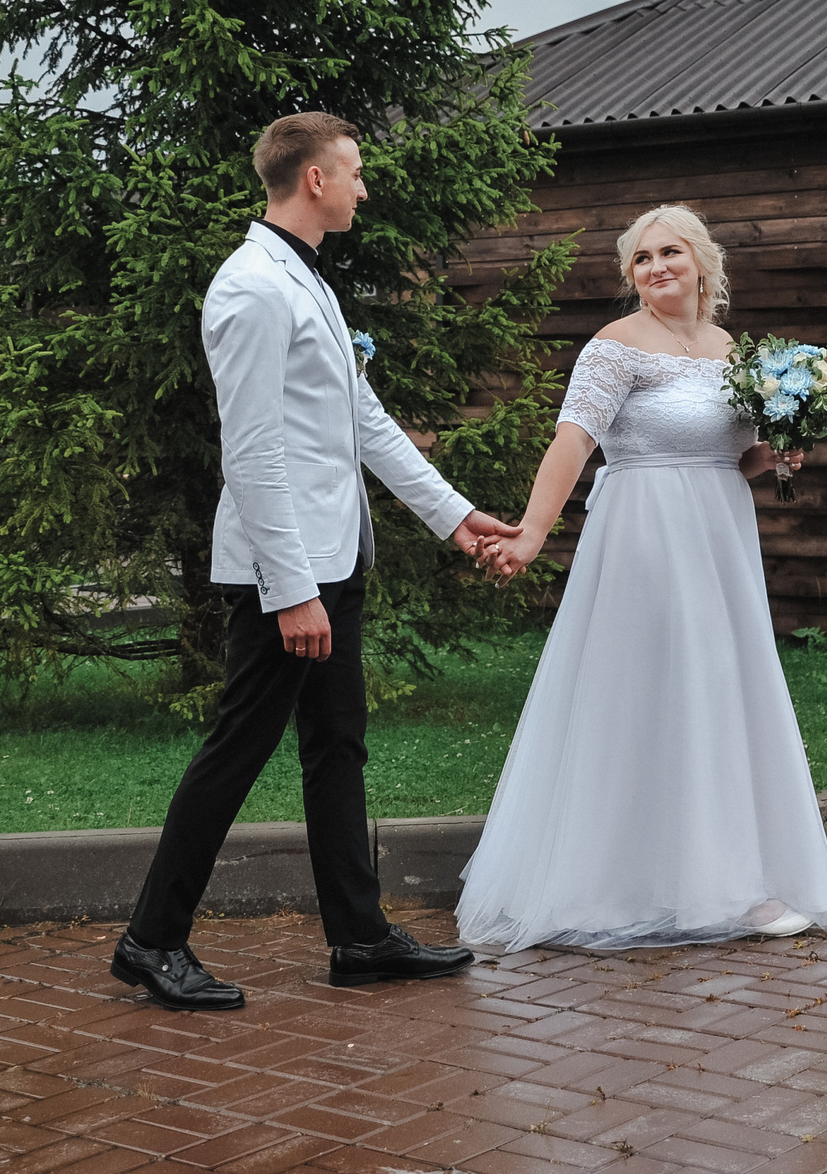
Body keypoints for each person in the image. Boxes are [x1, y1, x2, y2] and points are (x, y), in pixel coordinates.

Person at [112, 113, 523, 1012]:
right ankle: (150, 940)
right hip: (286, 574)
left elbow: (363, 422)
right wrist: (292, 592)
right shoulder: (253, 289)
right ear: (313, 182)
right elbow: (251, 452)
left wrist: (453, 518)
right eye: (356, 172)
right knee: (236, 751)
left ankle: (361, 938)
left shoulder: (308, 282)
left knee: (337, 748)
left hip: (335, 560)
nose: (364, 188)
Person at [464, 204, 827, 950]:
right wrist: (533, 531)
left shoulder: (726, 346)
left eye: (670, 252)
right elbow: (572, 442)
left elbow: (730, 457)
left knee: (718, 690)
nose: (656, 267)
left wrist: (776, 454)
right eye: (641, 259)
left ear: (701, 262)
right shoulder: (615, 347)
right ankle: (670, 886)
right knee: (657, 689)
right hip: (646, 531)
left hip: (719, 532)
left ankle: (716, 876)